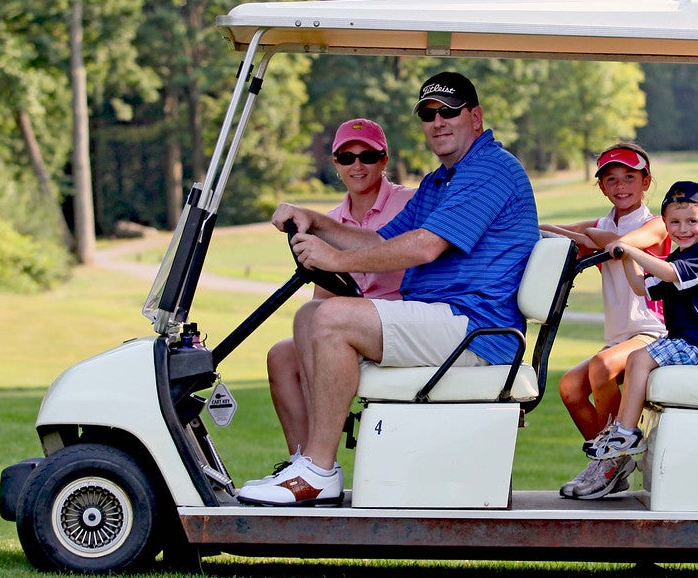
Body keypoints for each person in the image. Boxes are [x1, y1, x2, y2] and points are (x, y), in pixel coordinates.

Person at [237, 71, 539, 506]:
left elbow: (425, 246)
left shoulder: (490, 168)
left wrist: (336, 260)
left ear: (475, 116)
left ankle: (318, 470)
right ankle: (311, 464)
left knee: (330, 317)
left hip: (477, 330)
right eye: (428, 114)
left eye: (448, 112)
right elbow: (381, 240)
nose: (438, 121)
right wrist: (316, 220)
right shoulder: (442, 180)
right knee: (308, 317)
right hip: (445, 319)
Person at [578, 180, 698, 499]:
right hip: (689, 339)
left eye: (692, 221)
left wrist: (631, 248)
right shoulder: (681, 256)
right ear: (666, 225)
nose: (683, 228)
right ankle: (624, 431)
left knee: (639, 358)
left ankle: (625, 433)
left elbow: (666, 274)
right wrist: (624, 257)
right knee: (640, 359)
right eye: (674, 222)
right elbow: (640, 287)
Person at [265, 118, 413, 460]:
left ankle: (319, 461)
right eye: (347, 158)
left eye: (368, 156)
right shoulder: (328, 222)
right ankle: (302, 462)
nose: (357, 165)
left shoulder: (409, 205)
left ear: (384, 160)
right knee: (282, 355)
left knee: (319, 319)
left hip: (395, 325)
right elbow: (324, 299)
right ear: (335, 163)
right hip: (348, 329)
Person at [537, 141, 671, 499]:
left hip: (654, 333)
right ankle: (610, 462)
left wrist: (591, 237)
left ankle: (613, 459)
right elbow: (549, 228)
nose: (620, 185)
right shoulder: (600, 224)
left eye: (630, 177)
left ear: (646, 182)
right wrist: (587, 235)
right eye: (611, 179)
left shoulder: (657, 224)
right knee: (570, 387)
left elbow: (622, 245)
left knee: (600, 367)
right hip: (620, 338)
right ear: (601, 186)